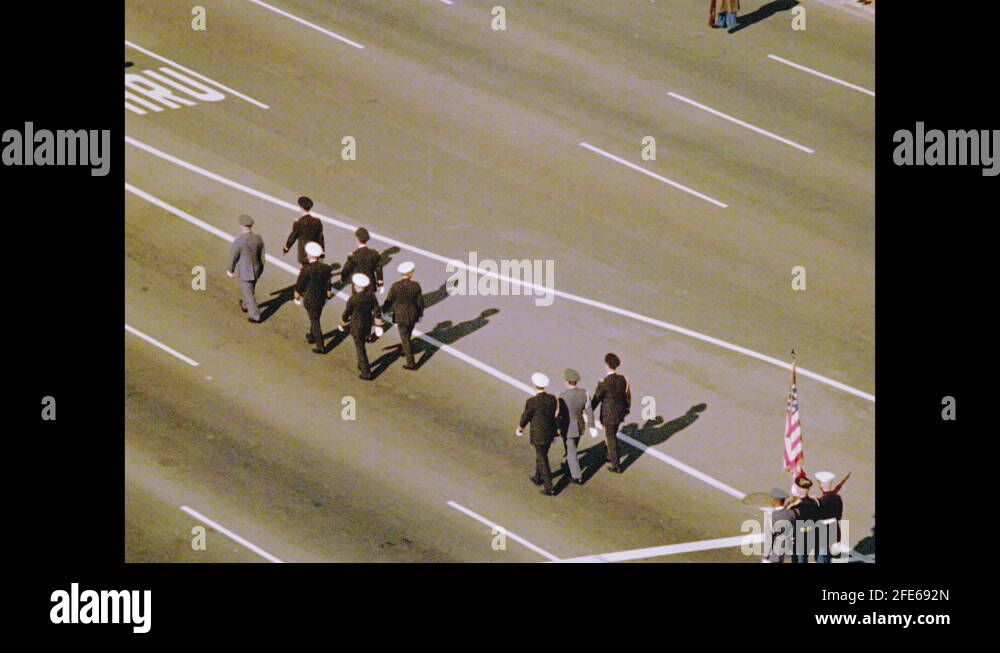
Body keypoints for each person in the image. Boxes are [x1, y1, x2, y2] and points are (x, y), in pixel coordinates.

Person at [517, 373, 561, 496]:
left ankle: (549, 487)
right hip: (549, 432)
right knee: (542, 454)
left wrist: (520, 428)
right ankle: (537, 476)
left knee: (542, 458)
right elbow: (555, 415)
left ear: (535, 385)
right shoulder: (552, 398)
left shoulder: (532, 401)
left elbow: (526, 416)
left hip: (538, 434)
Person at [590, 353, 631, 473]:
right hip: (619, 413)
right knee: (613, 434)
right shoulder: (622, 379)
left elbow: (597, 398)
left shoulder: (604, 382)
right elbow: (626, 395)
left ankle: (616, 464)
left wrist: (589, 411)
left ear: (607, 365)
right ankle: (610, 455)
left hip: (608, 414)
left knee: (610, 437)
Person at [338, 273, 384, 380]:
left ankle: (366, 372)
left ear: (356, 286)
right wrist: (377, 321)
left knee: (360, 348)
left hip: (356, 325)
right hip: (367, 324)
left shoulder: (353, 298)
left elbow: (347, 312)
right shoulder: (371, 296)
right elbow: (377, 309)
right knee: (362, 344)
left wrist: (342, 322)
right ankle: (361, 363)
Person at [382, 261, 424, 370]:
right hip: (413, 314)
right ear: (410, 274)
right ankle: (404, 350)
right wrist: (420, 314)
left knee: (405, 338)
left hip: (401, 315)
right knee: (408, 334)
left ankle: (411, 362)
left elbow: (389, 301)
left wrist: (383, 311)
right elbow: (420, 302)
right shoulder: (416, 285)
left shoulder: (396, 286)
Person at [557, 368, 596, 485]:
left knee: (571, 451)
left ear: (567, 381)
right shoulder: (585, 393)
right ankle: (570, 465)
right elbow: (589, 410)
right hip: (580, 426)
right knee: (572, 447)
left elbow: (559, 414)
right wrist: (591, 425)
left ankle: (576, 475)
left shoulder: (562, 396)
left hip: (568, 427)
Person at [294, 242, 334, 354]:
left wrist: (297, 293)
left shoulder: (306, 269)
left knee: (315, 320)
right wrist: (329, 291)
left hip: (310, 298)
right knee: (316, 316)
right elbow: (328, 282)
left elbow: (300, 283)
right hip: (321, 298)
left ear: (309, 255)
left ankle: (320, 345)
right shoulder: (326, 268)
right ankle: (312, 335)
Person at [226, 214, 265, 323]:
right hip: (257, 268)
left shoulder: (240, 240)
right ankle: (245, 304)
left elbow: (233, 256)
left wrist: (230, 269)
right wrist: (261, 268)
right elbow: (262, 255)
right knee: (250, 288)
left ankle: (255, 315)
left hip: (246, 270)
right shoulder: (258, 238)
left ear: (242, 226)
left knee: (248, 292)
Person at [814, 470, 847, 563]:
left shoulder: (820, 501)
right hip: (835, 528)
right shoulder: (838, 498)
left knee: (822, 556)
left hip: (822, 531)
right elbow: (839, 516)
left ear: (820, 485)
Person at [283, 196, 324, 267]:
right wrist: (322, 250)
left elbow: (293, 236)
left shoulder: (299, 222)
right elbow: (320, 236)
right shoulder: (317, 221)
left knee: (305, 270)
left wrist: (287, 248)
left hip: (304, 251)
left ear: (301, 208)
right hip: (314, 249)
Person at [341, 227, 383, 294]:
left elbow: (347, 268)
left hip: (358, 284)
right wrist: (380, 282)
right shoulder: (374, 253)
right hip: (371, 284)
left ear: (357, 239)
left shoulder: (354, 255)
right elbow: (379, 268)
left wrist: (343, 278)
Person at [787, 475, 818, 563]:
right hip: (811, 535)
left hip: (798, 537)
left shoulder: (796, 506)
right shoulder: (814, 502)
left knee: (798, 559)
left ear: (799, 489)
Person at [763, 488, 797, 563]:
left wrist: (765, 556)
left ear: (775, 501)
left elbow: (768, 538)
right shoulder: (791, 513)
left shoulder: (770, 516)